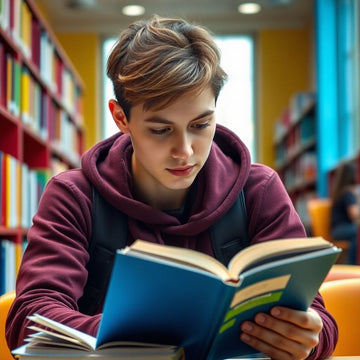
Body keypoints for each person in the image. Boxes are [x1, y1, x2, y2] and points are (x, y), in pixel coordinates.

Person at [6, 15, 337, 359]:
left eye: (200, 124)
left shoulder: (259, 190)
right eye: (161, 130)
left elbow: (320, 322)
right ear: (121, 118)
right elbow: (31, 318)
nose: (185, 150)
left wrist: (307, 336)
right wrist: (136, 338)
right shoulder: (73, 196)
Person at [330, 162, 359, 264]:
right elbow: (354, 214)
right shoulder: (348, 193)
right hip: (341, 230)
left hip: (337, 230)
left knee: (357, 234)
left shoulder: (340, 191)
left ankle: (353, 265)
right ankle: (353, 265)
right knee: (358, 233)